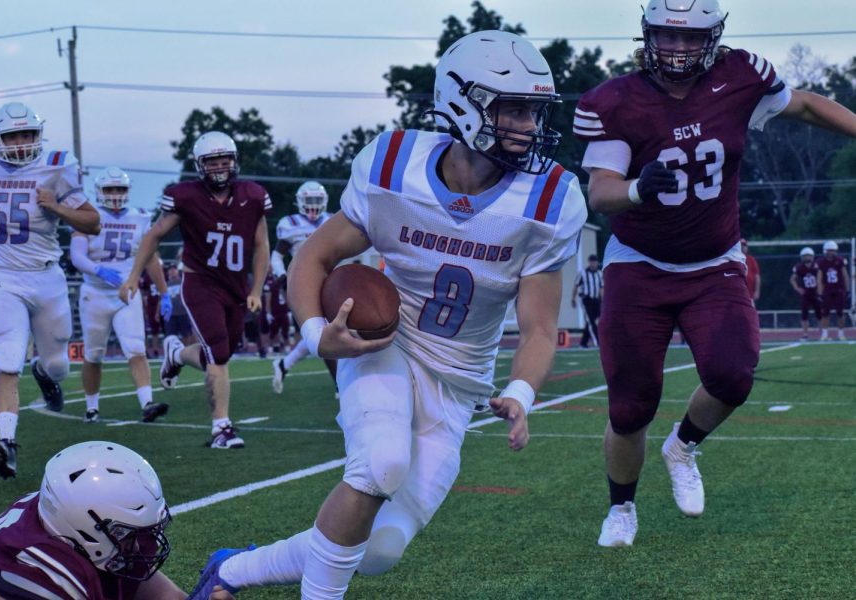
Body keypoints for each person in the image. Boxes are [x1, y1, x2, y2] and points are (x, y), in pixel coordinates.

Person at [187, 30, 586, 600]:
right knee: (381, 465)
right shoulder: (394, 164)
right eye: (513, 109)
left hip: (460, 382)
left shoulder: (549, 201)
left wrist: (520, 392)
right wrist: (314, 334)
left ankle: (231, 571)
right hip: (386, 343)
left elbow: (541, 326)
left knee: (379, 549)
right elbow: (315, 256)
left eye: (534, 111)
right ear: (461, 102)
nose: (527, 125)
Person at [573, 0, 856, 546]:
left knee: (733, 374)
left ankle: (682, 446)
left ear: (714, 37)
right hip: (640, 263)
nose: (678, 48)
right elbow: (601, 191)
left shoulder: (741, 77)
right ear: (648, 35)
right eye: (667, 36)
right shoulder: (618, 100)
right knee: (631, 405)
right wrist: (636, 188)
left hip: (713, 262)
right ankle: (622, 509)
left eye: (691, 37)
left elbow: (805, 107)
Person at [0, 102, 101, 479]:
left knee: (58, 366)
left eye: (27, 135)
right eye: (12, 136)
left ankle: (42, 371)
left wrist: (57, 207)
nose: (20, 143)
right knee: (6, 358)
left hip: (47, 277)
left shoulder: (57, 165)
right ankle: (7, 444)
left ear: (38, 136)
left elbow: (93, 222)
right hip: (3, 276)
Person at [120, 131, 271, 449]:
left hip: (235, 285)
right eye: (211, 161)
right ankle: (221, 428)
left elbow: (261, 246)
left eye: (224, 160)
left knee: (221, 353)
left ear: (234, 161)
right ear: (200, 166)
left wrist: (255, 288)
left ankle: (175, 353)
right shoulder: (186, 196)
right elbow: (153, 235)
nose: (219, 167)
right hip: (200, 283)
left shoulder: (252, 196)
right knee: (217, 351)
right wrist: (134, 275)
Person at [0, 441, 235, 600]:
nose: (143, 546)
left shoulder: (62, 519)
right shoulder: (35, 575)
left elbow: (165, 596)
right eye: (129, 536)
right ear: (83, 529)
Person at [70, 166, 172, 424]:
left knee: (136, 348)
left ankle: (147, 402)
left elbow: (150, 258)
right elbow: (77, 255)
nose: (115, 194)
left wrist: (164, 292)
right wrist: (98, 270)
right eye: (110, 189)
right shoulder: (88, 215)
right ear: (99, 191)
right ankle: (92, 407)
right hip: (95, 292)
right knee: (93, 354)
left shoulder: (140, 217)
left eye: (120, 189)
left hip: (127, 291)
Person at [271, 181, 336, 394]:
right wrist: (281, 276)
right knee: (321, 331)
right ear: (300, 202)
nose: (313, 205)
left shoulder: (332, 221)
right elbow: (277, 256)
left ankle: (284, 365)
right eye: (309, 201)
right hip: (303, 283)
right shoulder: (290, 224)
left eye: (317, 201)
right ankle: (339, 384)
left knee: (319, 332)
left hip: (329, 282)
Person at [816, 240, 851, 341]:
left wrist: (847, 290)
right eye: (829, 250)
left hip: (839, 289)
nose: (830, 252)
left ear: (836, 251)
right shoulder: (821, 262)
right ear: (825, 251)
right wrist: (819, 293)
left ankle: (840, 334)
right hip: (827, 290)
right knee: (825, 313)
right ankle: (825, 334)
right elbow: (819, 278)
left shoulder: (840, 260)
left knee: (840, 312)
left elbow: (845, 276)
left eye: (832, 250)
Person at [571, 254, 604, 347]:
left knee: (593, 321)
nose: (593, 264)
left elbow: (602, 288)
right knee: (591, 322)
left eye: (595, 262)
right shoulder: (582, 273)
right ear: (589, 262)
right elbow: (576, 286)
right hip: (586, 300)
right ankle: (598, 343)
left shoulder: (600, 274)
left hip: (596, 300)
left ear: (597, 262)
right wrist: (573, 299)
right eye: (591, 262)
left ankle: (583, 342)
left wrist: (603, 301)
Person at [789, 246, 821, 341]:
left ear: (812, 256)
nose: (807, 258)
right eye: (805, 256)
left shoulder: (816, 266)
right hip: (805, 293)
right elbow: (792, 279)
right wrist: (797, 288)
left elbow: (820, 278)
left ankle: (822, 333)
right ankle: (805, 334)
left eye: (809, 256)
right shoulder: (799, 267)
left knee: (819, 313)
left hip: (815, 293)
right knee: (804, 314)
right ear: (802, 257)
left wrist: (820, 291)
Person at [741, 238, 761, 305]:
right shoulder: (734, 259)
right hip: (738, 295)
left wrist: (757, 291)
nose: (743, 247)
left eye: (744, 245)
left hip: (749, 295)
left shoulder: (751, 260)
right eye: (741, 245)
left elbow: (757, 276)